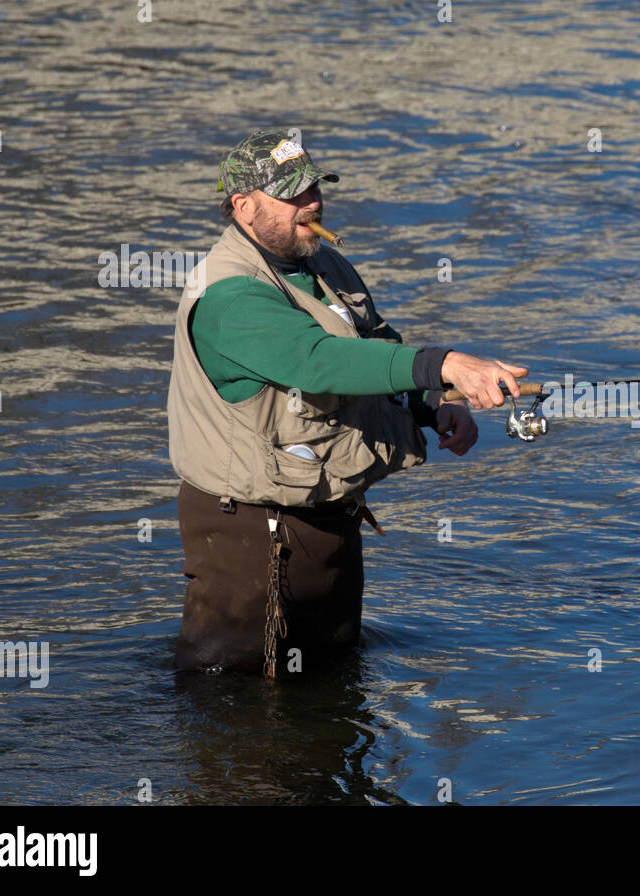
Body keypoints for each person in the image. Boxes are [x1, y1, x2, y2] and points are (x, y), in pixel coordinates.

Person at [167, 129, 526, 676]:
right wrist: (445, 363)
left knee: (332, 685)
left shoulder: (324, 264)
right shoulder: (229, 295)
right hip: (251, 532)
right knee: (234, 706)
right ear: (243, 207)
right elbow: (319, 361)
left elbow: (375, 345)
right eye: (292, 195)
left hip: (330, 514)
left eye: (314, 189)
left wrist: (432, 402)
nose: (310, 204)